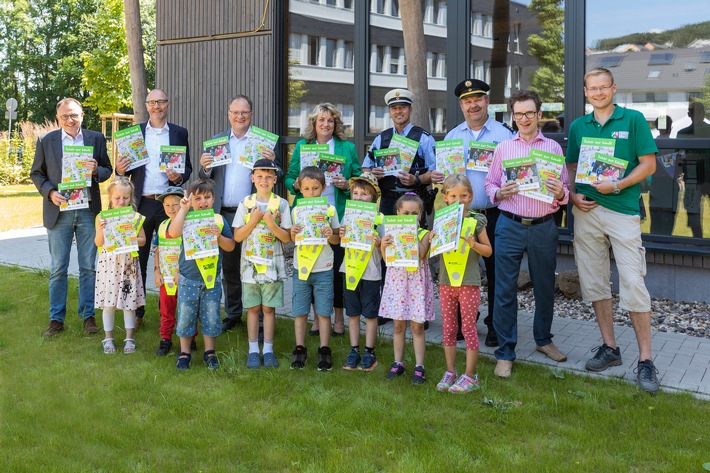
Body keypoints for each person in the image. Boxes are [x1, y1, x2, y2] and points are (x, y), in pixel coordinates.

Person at [566, 67, 660, 393]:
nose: (598, 93)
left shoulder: (633, 120)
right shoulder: (579, 126)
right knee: (594, 281)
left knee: (633, 282)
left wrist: (617, 184)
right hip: (587, 212)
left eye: (603, 87)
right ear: (585, 92)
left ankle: (646, 360)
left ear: (613, 88)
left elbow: (649, 164)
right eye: (592, 88)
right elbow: (572, 165)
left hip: (622, 211)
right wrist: (574, 194)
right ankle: (610, 349)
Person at [483, 89, 570, 379]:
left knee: (545, 286)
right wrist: (499, 191)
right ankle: (506, 352)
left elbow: (564, 189)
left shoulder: (554, 149)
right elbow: (489, 185)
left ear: (539, 115)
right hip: (509, 224)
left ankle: (543, 340)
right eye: (518, 113)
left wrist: (561, 193)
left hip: (544, 225)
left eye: (529, 113)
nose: (523, 118)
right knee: (505, 289)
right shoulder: (504, 148)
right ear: (513, 116)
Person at [432, 79, 514, 348]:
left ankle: (495, 324)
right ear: (461, 105)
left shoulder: (504, 135)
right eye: (467, 101)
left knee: (495, 271)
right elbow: (444, 181)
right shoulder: (453, 137)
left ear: (487, 102)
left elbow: (512, 175)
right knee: (459, 268)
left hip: (494, 214)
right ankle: (461, 320)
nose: (473, 104)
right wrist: (437, 176)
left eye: (478, 99)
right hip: (460, 215)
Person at [30, 97, 113, 337]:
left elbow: (107, 169)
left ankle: (88, 316)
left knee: (89, 266)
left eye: (74, 115)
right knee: (58, 268)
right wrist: (50, 192)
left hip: (87, 211)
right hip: (59, 212)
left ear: (82, 115)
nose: (70, 119)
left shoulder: (95, 138)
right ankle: (56, 319)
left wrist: (97, 169)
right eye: (65, 116)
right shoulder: (46, 141)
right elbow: (37, 174)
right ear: (58, 118)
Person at [199, 95, 278, 333]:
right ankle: (234, 314)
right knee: (230, 268)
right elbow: (206, 180)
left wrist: (273, 161)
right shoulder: (217, 141)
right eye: (235, 112)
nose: (240, 116)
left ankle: (262, 317)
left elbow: (278, 175)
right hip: (224, 212)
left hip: (255, 213)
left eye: (244, 112)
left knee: (259, 264)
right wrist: (205, 167)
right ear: (228, 113)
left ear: (251, 114)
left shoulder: (263, 142)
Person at [116, 89, 192, 328]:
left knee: (172, 256)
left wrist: (179, 177)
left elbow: (187, 168)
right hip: (142, 203)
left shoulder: (180, 133)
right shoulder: (134, 133)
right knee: (137, 258)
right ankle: (137, 313)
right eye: (152, 102)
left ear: (168, 104)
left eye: (161, 101)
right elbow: (125, 171)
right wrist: (119, 169)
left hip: (169, 203)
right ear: (147, 106)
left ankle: (168, 312)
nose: (157, 106)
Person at [285, 103, 361, 337]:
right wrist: (296, 185)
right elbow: (289, 178)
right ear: (314, 124)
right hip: (308, 214)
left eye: (330, 120)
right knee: (312, 264)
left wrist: (347, 184)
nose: (326, 124)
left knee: (336, 268)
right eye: (321, 120)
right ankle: (318, 318)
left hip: (334, 213)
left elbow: (358, 178)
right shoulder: (302, 146)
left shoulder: (347, 148)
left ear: (335, 124)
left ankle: (338, 319)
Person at [167, 179, 236, 370]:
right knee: (186, 316)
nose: (203, 202)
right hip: (188, 279)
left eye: (207, 197)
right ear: (190, 200)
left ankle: (210, 352)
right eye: (197, 198)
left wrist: (219, 237)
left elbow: (230, 246)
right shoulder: (185, 217)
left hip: (211, 279)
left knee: (212, 317)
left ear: (213, 199)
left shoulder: (219, 220)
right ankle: (184, 353)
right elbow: (172, 233)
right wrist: (182, 209)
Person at [434, 175, 492, 392]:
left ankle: (470, 375)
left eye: (463, 195)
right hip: (446, 281)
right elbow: (435, 250)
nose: (459, 200)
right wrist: (432, 239)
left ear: (471, 196)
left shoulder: (476, 221)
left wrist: (473, 244)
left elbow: (488, 250)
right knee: (449, 328)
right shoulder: (441, 219)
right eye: (454, 196)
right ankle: (450, 372)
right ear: (445, 197)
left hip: (468, 282)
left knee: (468, 328)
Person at [233, 159, 292, 369]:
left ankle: (268, 349)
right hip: (250, 268)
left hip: (273, 268)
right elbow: (238, 236)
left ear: (275, 179)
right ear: (252, 178)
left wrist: (269, 223)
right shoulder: (246, 203)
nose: (264, 180)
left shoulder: (282, 204)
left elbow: (286, 238)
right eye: (259, 176)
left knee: (268, 309)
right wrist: (253, 220)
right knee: (253, 309)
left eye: (268, 176)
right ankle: (252, 350)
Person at [379, 193, 435, 385]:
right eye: (406, 213)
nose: (410, 216)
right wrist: (383, 247)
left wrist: (412, 232)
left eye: (414, 213)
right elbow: (388, 261)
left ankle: (419, 367)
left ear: (420, 216)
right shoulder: (391, 233)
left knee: (417, 326)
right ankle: (398, 363)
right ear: (397, 212)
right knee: (398, 325)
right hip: (397, 285)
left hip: (416, 286)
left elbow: (420, 253)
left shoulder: (424, 234)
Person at [289, 167, 340, 371]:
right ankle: (299, 349)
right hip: (301, 267)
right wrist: (292, 232)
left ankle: (324, 350)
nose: (311, 192)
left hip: (323, 267)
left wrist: (330, 235)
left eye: (315, 188)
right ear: (300, 189)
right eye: (307, 188)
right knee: (300, 311)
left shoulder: (329, 210)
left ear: (323, 188)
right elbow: (292, 239)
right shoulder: (296, 211)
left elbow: (337, 239)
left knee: (324, 311)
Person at [362, 89, 436, 226]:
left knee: (412, 241)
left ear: (410, 110)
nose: (398, 111)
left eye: (402, 107)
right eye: (394, 108)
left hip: (413, 200)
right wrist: (373, 174)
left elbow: (434, 171)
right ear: (390, 112)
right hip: (387, 200)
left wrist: (417, 179)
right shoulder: (381, 138)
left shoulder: (424, 138)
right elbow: (366, 167)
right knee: (386, 241)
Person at [94, 177, 147, 354]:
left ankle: (129, 338)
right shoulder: (102, 217)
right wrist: (101, 228)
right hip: (109, 265)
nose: (121, 201)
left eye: (125, 198)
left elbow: (143, 240)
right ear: (110, 197)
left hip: (128, 265)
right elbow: (98, 242)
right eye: (117, 197)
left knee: (128, 301)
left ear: (130, 198)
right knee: (108, 303)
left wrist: (132, 237)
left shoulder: (135, 217)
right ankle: (108, 338)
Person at [339, 173, 383, 371]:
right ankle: (354, 349)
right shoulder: (347, 215)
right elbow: (342, 241)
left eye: (364, 194)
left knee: (371, 314)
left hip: (371, 273)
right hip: (349, 270)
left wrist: (380, 243)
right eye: (355, 193)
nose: (358, 197)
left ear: (373, 196)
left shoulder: (379, 218)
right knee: (353, 312)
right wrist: (340, 233)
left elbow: (387, 249)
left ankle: (369, 350)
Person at [153, 186, 196, 356]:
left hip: (185, 275)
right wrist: (157, 272)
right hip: (166, 276)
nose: (171, 208)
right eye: (167, 205)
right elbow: (157, 250)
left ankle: (190, 337)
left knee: (188, 307)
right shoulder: (163, 225)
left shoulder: (190, 223)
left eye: (175, 204)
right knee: (166, 308)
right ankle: (166, 338)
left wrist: (182, 272)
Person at [677, 101, 710, 238]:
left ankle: (698, 241)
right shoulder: (683, 134)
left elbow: (679, 157)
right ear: (689, 114)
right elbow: (678, 157)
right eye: (693, 112)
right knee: (692, 211)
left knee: (692, 211)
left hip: (698, 178)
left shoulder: (683, 133)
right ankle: (698, 241)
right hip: (693, 179)